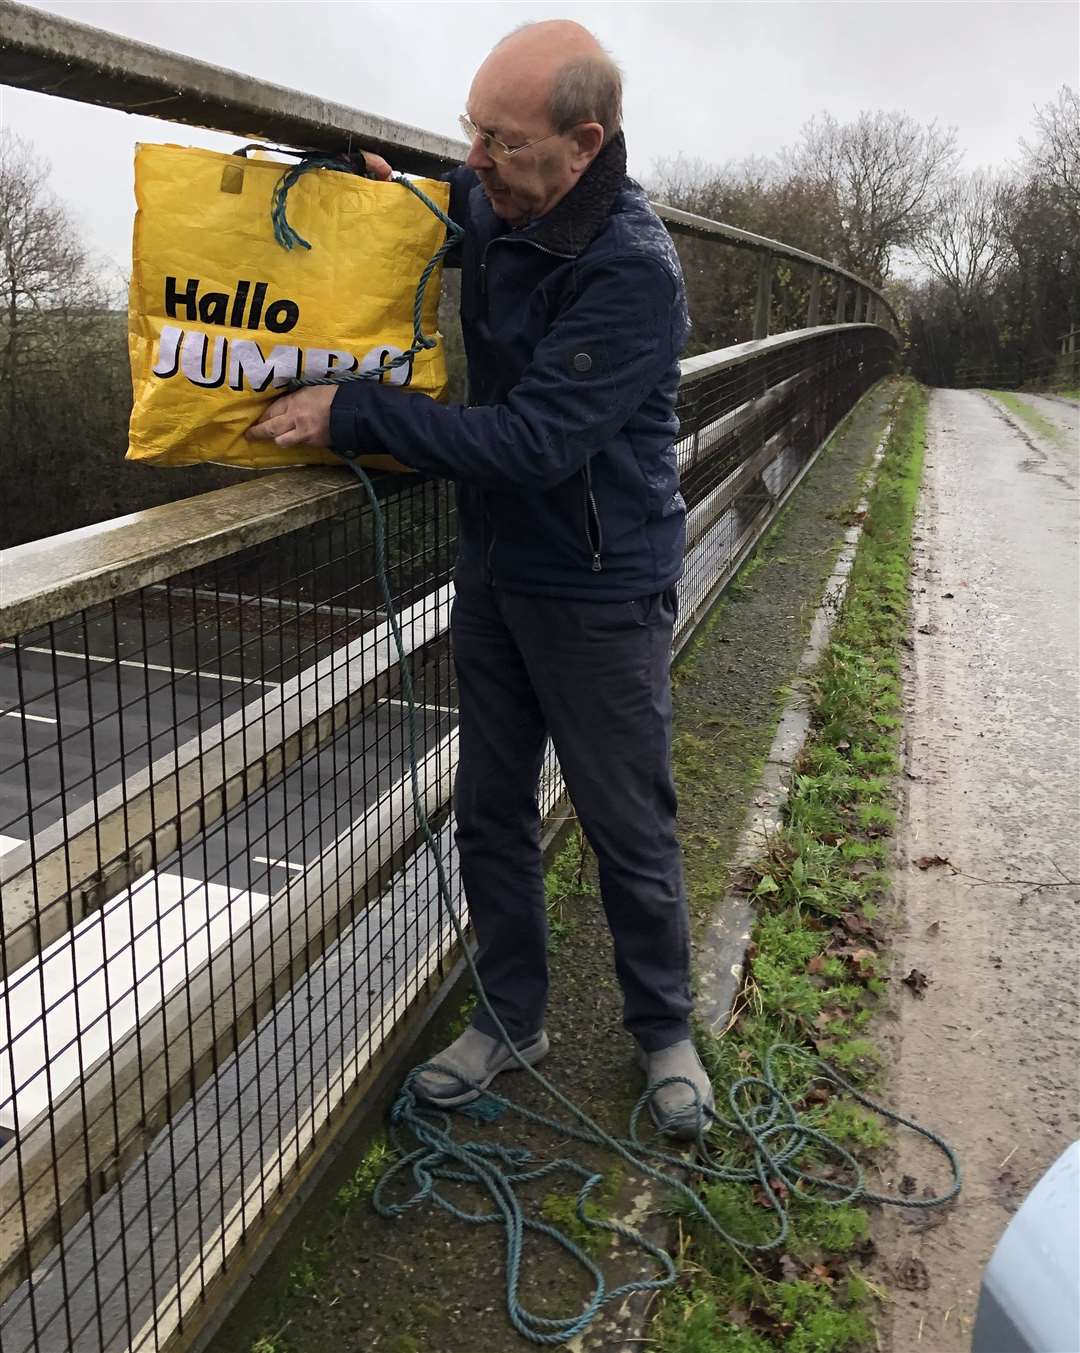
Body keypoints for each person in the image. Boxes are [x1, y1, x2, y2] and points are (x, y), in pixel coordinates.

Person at [249, 19, 714, 1138]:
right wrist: (382, 192)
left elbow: (533, 442)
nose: (475, 160)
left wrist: (353, 412)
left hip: (601, 586)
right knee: (489, 808)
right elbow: (444, 206)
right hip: (498, 566)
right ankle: (512, 1020)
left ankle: (665, 1033)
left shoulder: (631, 272)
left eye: (497, 141)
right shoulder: (509, 198)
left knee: (625, 823)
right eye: (472, 131)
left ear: (583, 143)